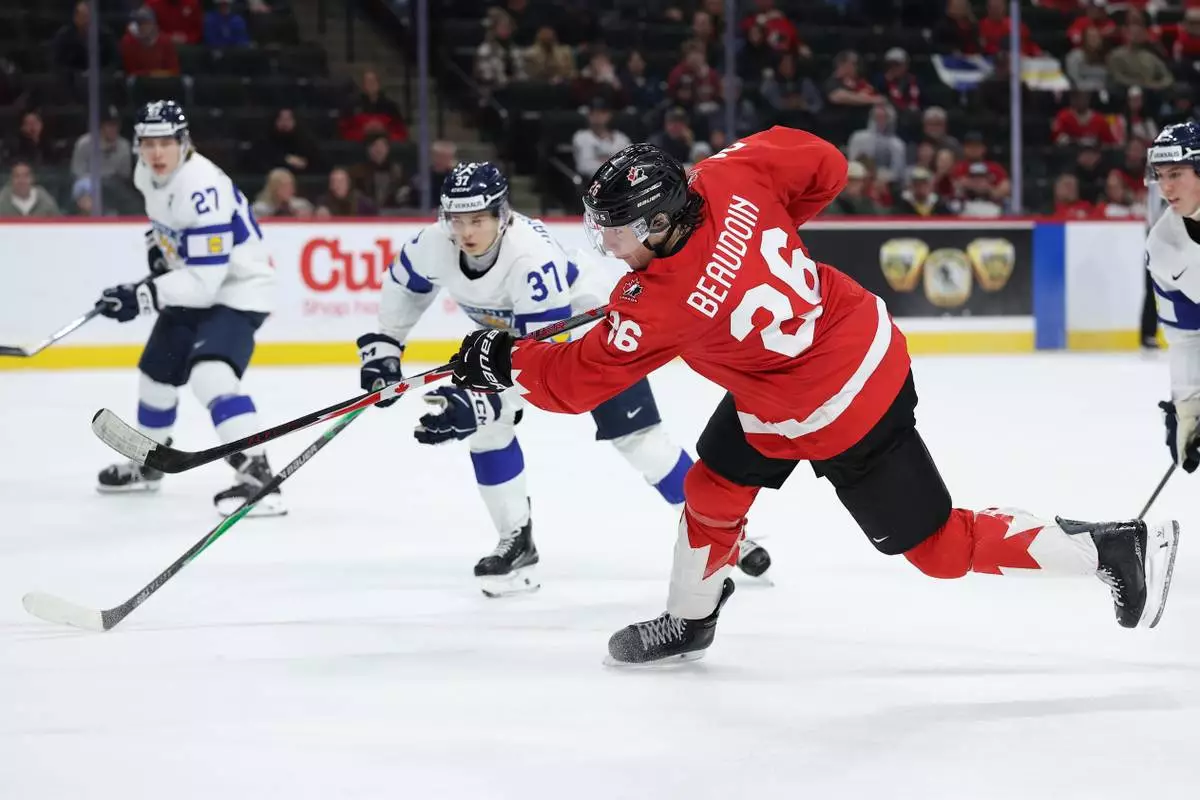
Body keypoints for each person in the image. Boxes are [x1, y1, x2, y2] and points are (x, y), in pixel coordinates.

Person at [447, 130, 1181, 665]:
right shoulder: (723, 177)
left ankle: (1112, 550)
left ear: (663, 222)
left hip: (842, 408)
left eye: (616, 232)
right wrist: (764, 238)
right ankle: (690, 619)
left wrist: (501, 358)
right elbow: (824, 164)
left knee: (934, 545)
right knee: (712, 489)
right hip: (796, 373)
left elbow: (575, 384)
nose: (605, 246)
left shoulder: (661, 306)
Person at [357, 162, 772, 596]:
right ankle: (516, 542)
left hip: (590, 336)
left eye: (477, 219)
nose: (465, 232)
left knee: (641, 442)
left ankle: (726, 537)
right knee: (487, 432)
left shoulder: (531, 260)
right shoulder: (431, 246)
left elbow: (544, 364)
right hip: (524, 344)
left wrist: (479, 402)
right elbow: (405, 289)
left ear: (502, 214)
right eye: (456, 220)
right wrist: (384, 348)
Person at [94, 101, 284, 518]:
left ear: (184, 142)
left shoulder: (203, 189)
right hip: (196, 281)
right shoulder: (147, 172)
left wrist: (141, 296)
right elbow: (165, 225)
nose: (156, 153)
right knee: (156, 372)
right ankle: (149, 462)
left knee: (210, 374)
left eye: (165, 142)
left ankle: (258, 474)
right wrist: (158, 251)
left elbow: (204, 284)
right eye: (148, 143)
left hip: (239, 290)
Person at [1143, 122, 1200, 469]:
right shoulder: (1162, 246)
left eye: (1176, 174)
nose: (1166, 187)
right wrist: (1188, 406)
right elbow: (1186, 337)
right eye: (1161, 175)